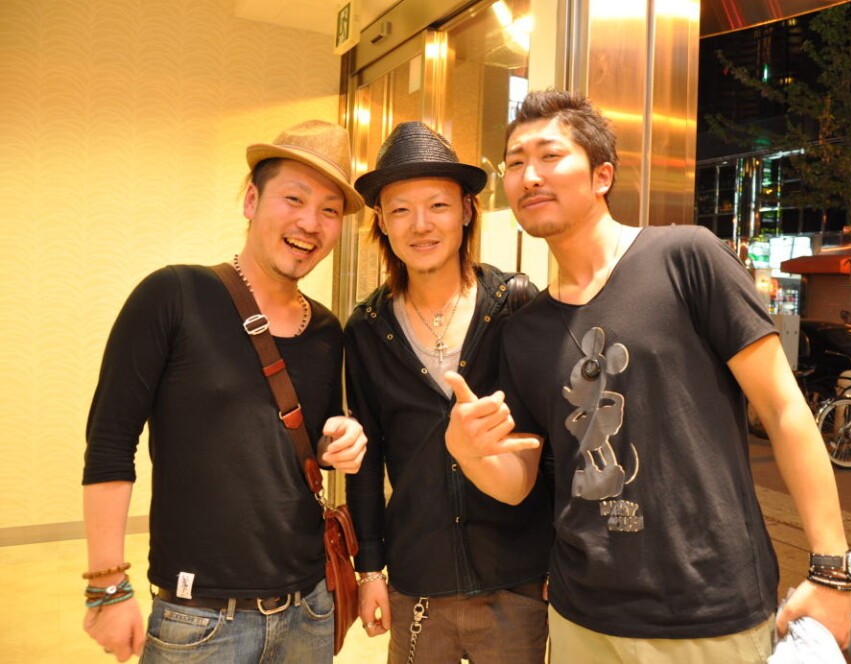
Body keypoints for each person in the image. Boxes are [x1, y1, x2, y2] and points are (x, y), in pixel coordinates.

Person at [444, 90, 851, 663]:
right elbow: (521, 480)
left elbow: (784, 410)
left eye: (549, 155)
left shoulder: (687, 257)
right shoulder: (524, 328)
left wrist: (832, 571)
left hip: (710, 610)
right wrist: (468, 452)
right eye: (515, 163)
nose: (529, 176)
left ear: (602, 175)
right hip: (581, 616)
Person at [82, 120, 369, 663]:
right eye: (294, 198)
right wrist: (107, 586)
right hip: (200, 619)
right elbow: (110, 443)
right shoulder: (174, 295)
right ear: (252, 200)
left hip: (310, 609)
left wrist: (340, 440)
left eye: (330, 210)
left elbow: (314, 440)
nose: (310, 223)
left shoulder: (327, 329)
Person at [345, 121, 553, 663]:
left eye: (437, 205)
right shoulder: (367, 328)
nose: (421, 225)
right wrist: (370, 570)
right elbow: (367, 459)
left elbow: (552, 442)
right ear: (381, 222)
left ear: (465, 210)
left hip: (515, 581)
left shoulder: (515, 305)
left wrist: (562, 558)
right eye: (400, 210)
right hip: (418, 580)